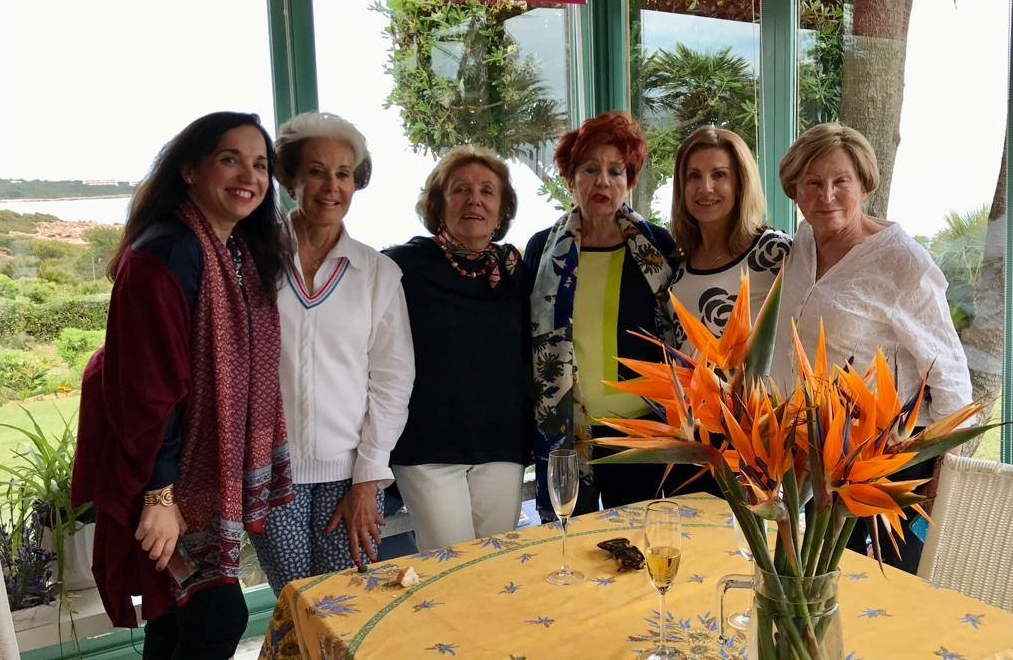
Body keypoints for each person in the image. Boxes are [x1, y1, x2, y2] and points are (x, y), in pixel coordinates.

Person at [71, 112, 294, 660]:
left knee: (175, 622)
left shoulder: (237, 252)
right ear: (190, 170)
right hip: (166, 474)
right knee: (219, 617)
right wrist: (160, 497)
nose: (249, 175)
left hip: (191, 472)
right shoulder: (166, 252)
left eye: (260, 164)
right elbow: (148, 392)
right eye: (230, 159)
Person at [771, 122, 972, 573]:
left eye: (841, 181)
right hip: (816, 458)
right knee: (820, 583)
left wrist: (947, 463)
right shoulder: (801, 244)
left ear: (863, 184)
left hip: (886, 462)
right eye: (813, 183)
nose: (826, 196)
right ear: (795, 191)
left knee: (884, 594)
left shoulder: (902, 262)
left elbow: (949, 370)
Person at [249, 112, 415, 593]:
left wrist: (368, 477)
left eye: (343, 174)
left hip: (352, 473)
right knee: (298, 602)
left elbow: (391, 380)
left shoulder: (378, 273)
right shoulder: (252, 261)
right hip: (272, 472)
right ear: (290, 178)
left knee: (348, 600)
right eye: (317, 171)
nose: (330, 186)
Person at [524, 111, 678, 522]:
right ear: (570, 177)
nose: (603, 181)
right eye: (590, 168)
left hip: (642, 429)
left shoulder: (657, 246)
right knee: (572, 546)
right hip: (568, 431)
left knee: (639, 546)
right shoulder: (542, 250)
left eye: (616, 170)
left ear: (630, 179)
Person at [385, 145, 532, 552]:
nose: (474, 199)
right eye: (460, 189)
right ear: (438, 203)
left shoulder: (515, 271)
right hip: (428, 446)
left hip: (500, 443)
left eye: (487, 191)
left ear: (501, 210)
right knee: (450, 566)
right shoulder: (401, 266)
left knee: (496, 564)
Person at [670, 126, 790, 352]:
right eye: (694, 176)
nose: (705, 188)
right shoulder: (680, 262)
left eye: (719, 175)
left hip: (755, 388)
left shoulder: (774, 251)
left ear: (740, 184)